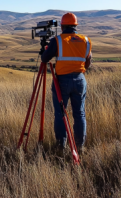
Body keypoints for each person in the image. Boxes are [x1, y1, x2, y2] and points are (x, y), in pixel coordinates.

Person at [41, 12, 92, 153]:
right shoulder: (86, 40)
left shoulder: (57, 40)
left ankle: (61, 147)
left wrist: (45, 50)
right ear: (75, 26)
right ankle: (79, 147)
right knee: (80, 113)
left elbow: (45, 59)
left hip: (62, 81)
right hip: (80, 79)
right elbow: (88, 61)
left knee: (60, 114)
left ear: (62, 26)